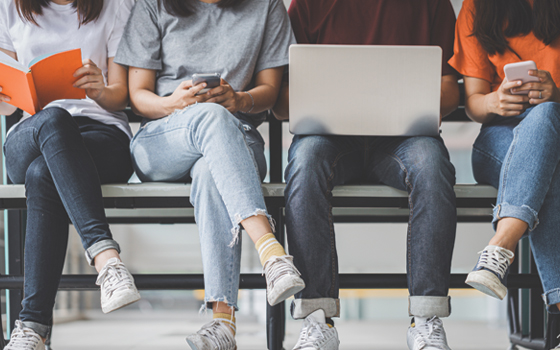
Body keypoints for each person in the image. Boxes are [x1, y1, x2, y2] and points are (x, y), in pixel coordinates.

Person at [114, 0, 304, 348]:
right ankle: (271, 252)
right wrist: (174, 102)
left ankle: (222, 323)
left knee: (209, 171)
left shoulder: (266, 7)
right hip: (163, 139)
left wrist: (240, 100)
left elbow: (270, 91)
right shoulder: (153, 5)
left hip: (234, 141)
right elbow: (138, 95)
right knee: (210, 117)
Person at [273, 0, 460, 349]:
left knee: (432, 166)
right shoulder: (307, 6)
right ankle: (317, 320)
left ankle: (426, 318)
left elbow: (451, 89)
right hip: (328, 137)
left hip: (403, 138)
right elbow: (281, 103)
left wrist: (408, 98)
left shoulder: (432, 4)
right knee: (305, 163)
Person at [0, 0, 141, 349]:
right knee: (55, 119)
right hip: (34, 130)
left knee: (42, 173)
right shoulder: (8, 7)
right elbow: (7, 103)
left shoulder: (115, 6)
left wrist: (99, 90)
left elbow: (121, 94)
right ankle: (107, 259)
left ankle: (33, 327)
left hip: (101, 134)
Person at [449, 0, 560, 335]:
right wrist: (494, 101)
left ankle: (498, 250)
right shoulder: (477, 7)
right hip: (500, 138)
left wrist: (556, 94)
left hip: (555, 137)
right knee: (548, 172)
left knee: (546, 116)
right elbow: (474, 102)